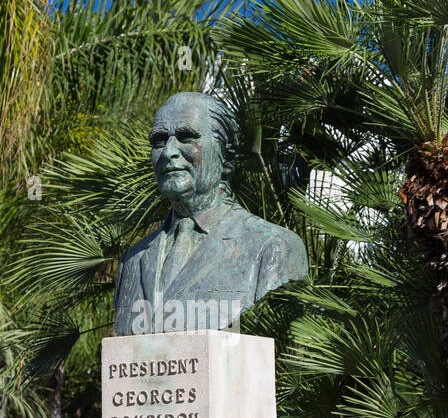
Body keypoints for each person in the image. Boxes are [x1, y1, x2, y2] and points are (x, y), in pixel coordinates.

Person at [112, 91, 308, 334]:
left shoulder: (272, 248)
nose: (168, 152)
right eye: (160, 140)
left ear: (226, 158)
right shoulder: (132, 261)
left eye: (186, 137)